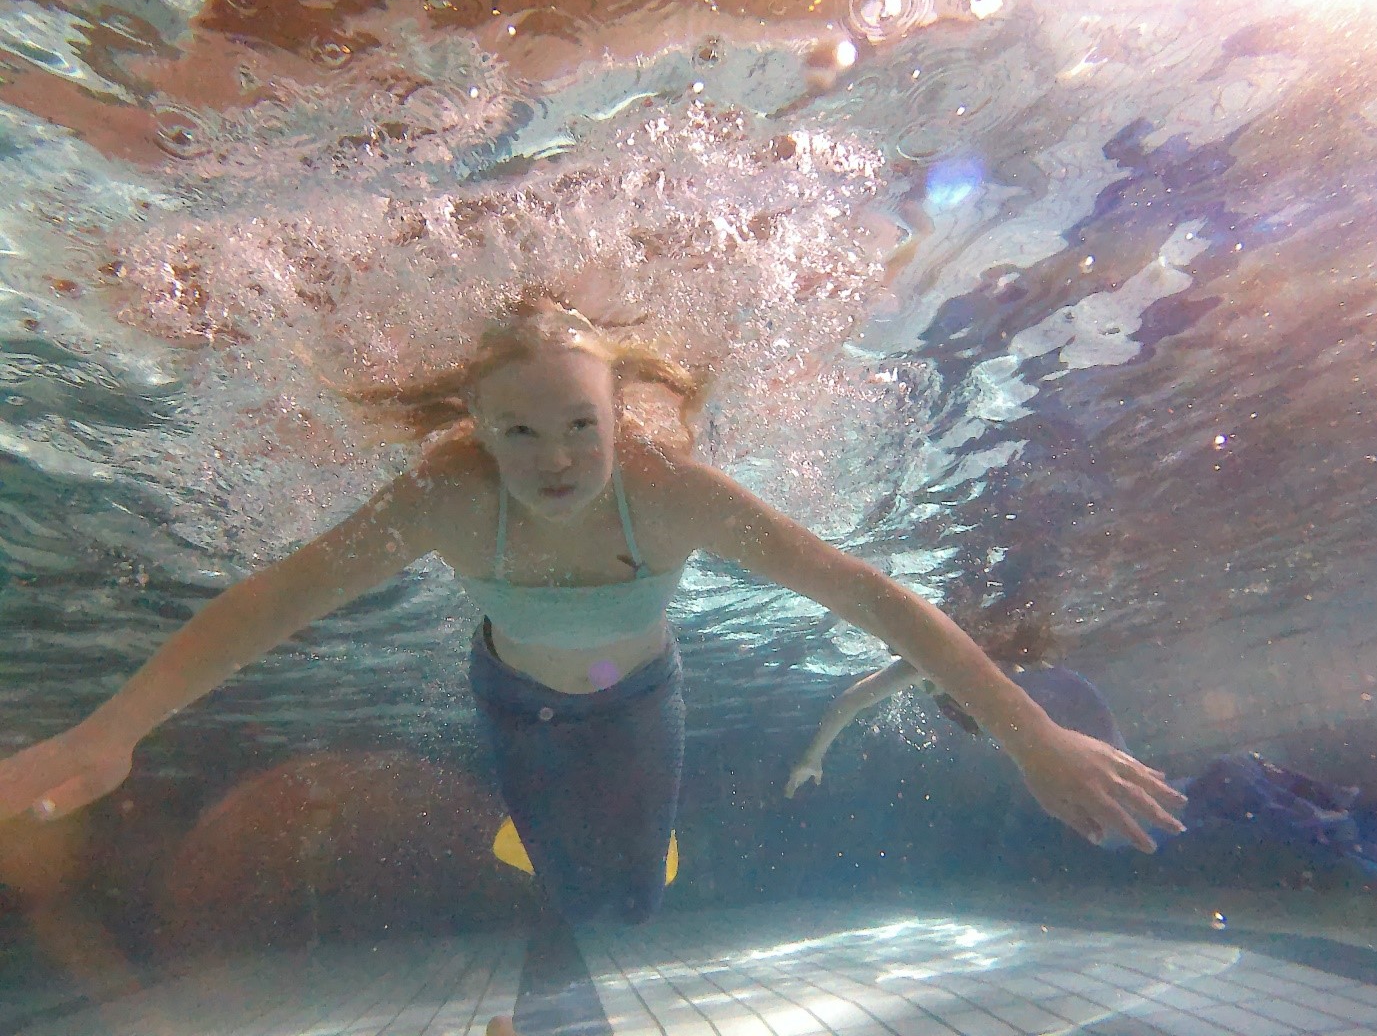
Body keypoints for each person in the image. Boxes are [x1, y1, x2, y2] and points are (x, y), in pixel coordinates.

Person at [0, 296, 1186, 1033]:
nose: (554, 456)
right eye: (516, 431)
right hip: (513, 704)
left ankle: (584, 877)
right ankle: (546, 884)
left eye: (580, 424)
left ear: (623, 415)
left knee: (633, 895)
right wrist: (116, 727)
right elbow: (272, 601)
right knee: (570, 881)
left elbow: (872, 596)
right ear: (471, 425)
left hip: (645, 705)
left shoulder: (670, 497)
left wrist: (1029, 731)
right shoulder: (448, 498)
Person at [785, 658, 1135, 801]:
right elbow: (850, 701)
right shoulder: (928, 662)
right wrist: (811, 758)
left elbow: (851, 701)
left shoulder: (1025, 679)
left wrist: (812, 758)